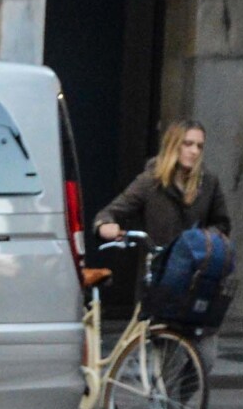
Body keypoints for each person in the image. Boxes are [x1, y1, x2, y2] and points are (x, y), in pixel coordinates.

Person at [98, 119, 233, 367]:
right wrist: (106, 225)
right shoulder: (151, 181)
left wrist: (200, 241)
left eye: (199, 146)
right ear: (173, 145)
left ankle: (178, 404)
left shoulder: (208, 182)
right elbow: (113, 211)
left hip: (199, 279)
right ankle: (165, 405)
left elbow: (222, 224)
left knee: (205, 358)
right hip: (165, 280)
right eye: (188, 144)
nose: (194, 151)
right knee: (168, 357)